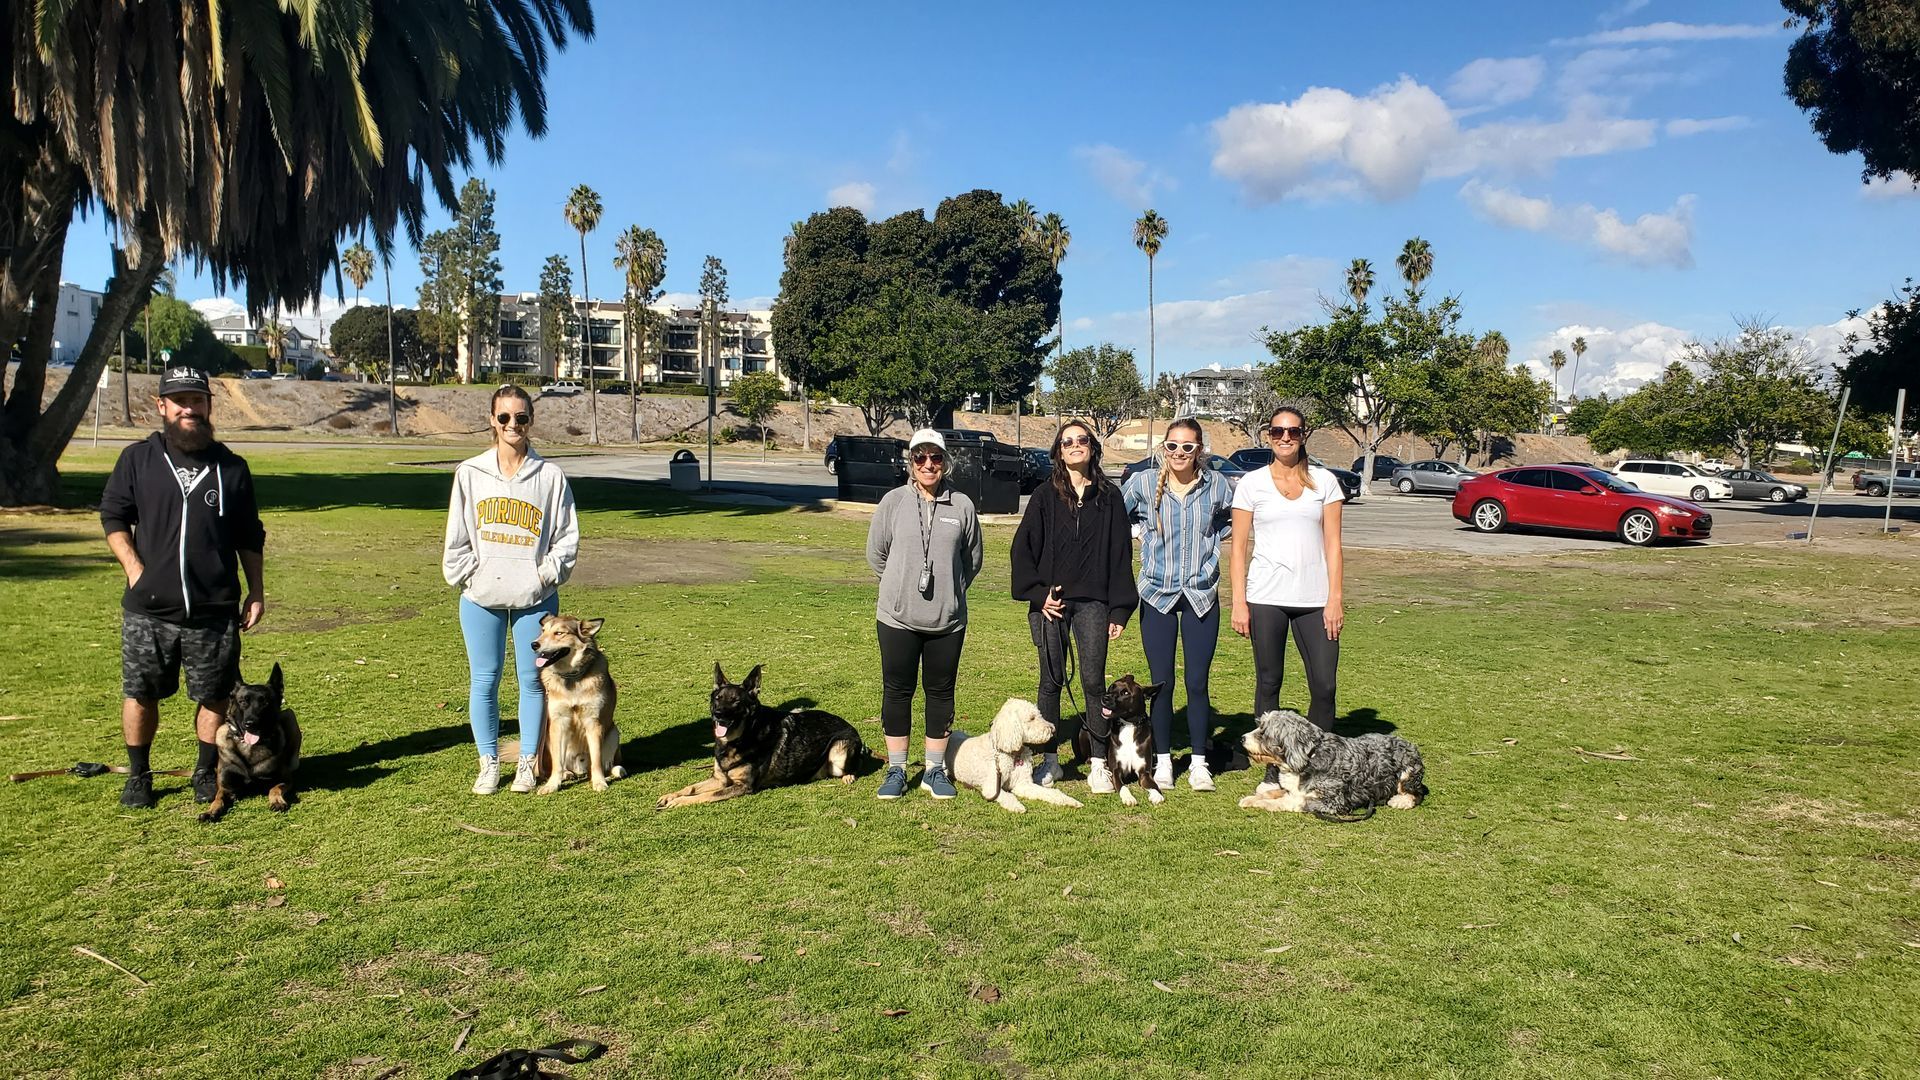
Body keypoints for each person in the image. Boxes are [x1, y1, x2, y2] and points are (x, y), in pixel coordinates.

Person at [100, 366, 267, 809]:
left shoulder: (231, 467)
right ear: (162, 406)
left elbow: (249, 535)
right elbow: (113, 516)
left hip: (214, 608)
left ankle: (203, 769)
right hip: (148, 611)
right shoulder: (138, 460)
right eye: (180, 401)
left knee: (214, 695)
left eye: (198, 400)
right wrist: (135, 568)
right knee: (140, 693)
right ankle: (139, 774)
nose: (189, 409)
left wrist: (256, 590)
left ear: (210, 405)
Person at [442, 385, 580, 795]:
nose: (512, 425)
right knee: (484, 680)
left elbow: (566, 538)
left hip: (533, 601)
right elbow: (457, 537)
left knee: (532, 681)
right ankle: (487, 762)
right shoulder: (471, 473)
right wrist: (471, 576)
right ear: (492, 420)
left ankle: (525, 764)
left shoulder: (550, 476)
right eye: (504, 417)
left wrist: (544, 575)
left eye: (521, 417)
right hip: (480, 598)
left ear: (531, 420)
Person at [1011, 421, 1138, 793]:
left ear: (1092, 448)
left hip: (1094, 604)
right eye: (1067, 442)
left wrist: (1119, 610)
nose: (1075, 446)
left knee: (1093, 681)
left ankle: (1099, 762)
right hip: (1053, 604)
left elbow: (1120, 555)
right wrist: (1039, 595)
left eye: (1082, 440)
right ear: (1059, 451)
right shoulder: (1044, 496)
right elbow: (1022, 550)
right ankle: (1050, 761)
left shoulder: (1110, 496)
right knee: (1050, 681)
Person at [1229, 405, 1346, 794]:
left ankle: (1318, 767)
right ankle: (1273, 769)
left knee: (1324, 686)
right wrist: (1239, 602)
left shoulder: (1326, 482)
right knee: (1269, 682)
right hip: (1266, 597)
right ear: (1267, 436)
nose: (1285, 438)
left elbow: (1333, 544)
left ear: (1303, 435)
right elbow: (1239, 548)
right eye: (1277, 432)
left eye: (1292, 432)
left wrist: (1335, 598)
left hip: (1315, 599)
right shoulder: (1251, 484)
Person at [865, 430, 984, 800]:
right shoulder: (893, 501)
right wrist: (900, 589)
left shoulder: (961, 505)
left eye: (935, 458)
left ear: (945, 462)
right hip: (897, 619)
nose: (928, 465)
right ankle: (897, 769)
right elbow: (876, 555)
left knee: (940, 692)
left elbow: (972, 560)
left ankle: (935, 769)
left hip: (947, 622)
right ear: (911, 462)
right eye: (920, 458)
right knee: (897, 691)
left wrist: (949, 592)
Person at [1122, 418, 1233, 793]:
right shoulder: (1140, 484)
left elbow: (1235, 520)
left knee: (1197, 683)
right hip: (1157, 594)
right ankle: (1164, 761)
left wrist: (1214, 542)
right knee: (1162, 684)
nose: (1180, 453)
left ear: (1200, 450)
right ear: (1162, 448)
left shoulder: (1218, 486)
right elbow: (1114, 521)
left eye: (1188, 446)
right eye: (1173, 446)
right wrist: (1139, 531)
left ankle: (1200, 763)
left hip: (1202, 595)